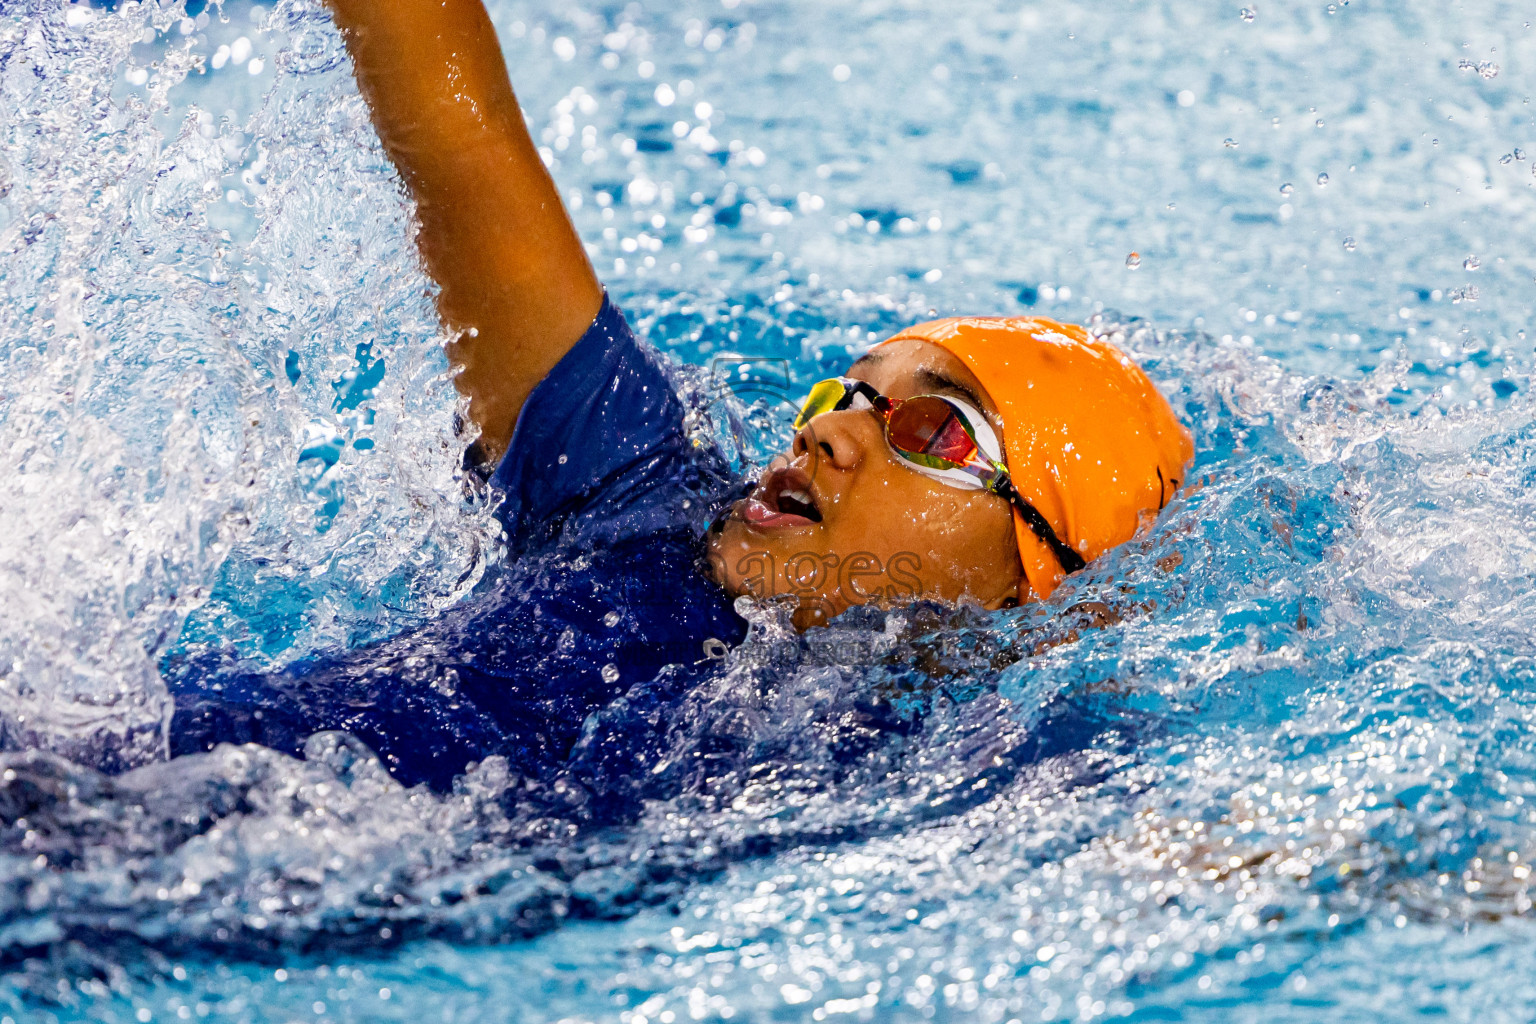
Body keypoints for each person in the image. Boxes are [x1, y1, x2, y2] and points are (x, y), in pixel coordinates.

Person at [165, 0, 1194, 796]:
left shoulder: (970, 750)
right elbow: (464, 150)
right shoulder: (635, 492)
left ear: (1039, 584)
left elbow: (1186, 856)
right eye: (851, 394)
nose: (831, 430)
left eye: (936, 429)